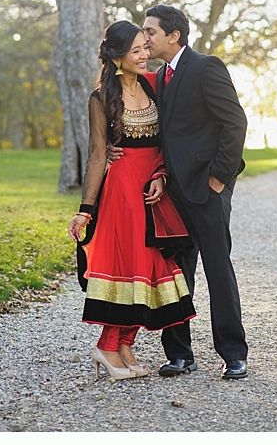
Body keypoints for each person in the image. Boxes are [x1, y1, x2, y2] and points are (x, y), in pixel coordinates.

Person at [68, 20, 196, 381]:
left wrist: (163, 174)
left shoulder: (154, 85)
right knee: (130, 268)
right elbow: (96, 155)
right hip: (122, 193)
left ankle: (124, 346)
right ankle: (109, 346)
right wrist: (85, 210)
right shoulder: (101, 98)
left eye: (145, 46)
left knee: (151, 268)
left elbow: (168, 140)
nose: (145, 55)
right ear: (118, 57)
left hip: (154, 190)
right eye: (136, 50)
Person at [141, 4, 250, 380]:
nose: (146, 37)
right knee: (175, 273)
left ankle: (234, 354)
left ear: (174, 35)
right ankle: (179, 354)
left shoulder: (206, 67)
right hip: (174, 193)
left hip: (207, 191)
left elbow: (234, 122)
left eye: (151, 31)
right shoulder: (158, 77)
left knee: (218, 270)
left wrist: (219, 179)